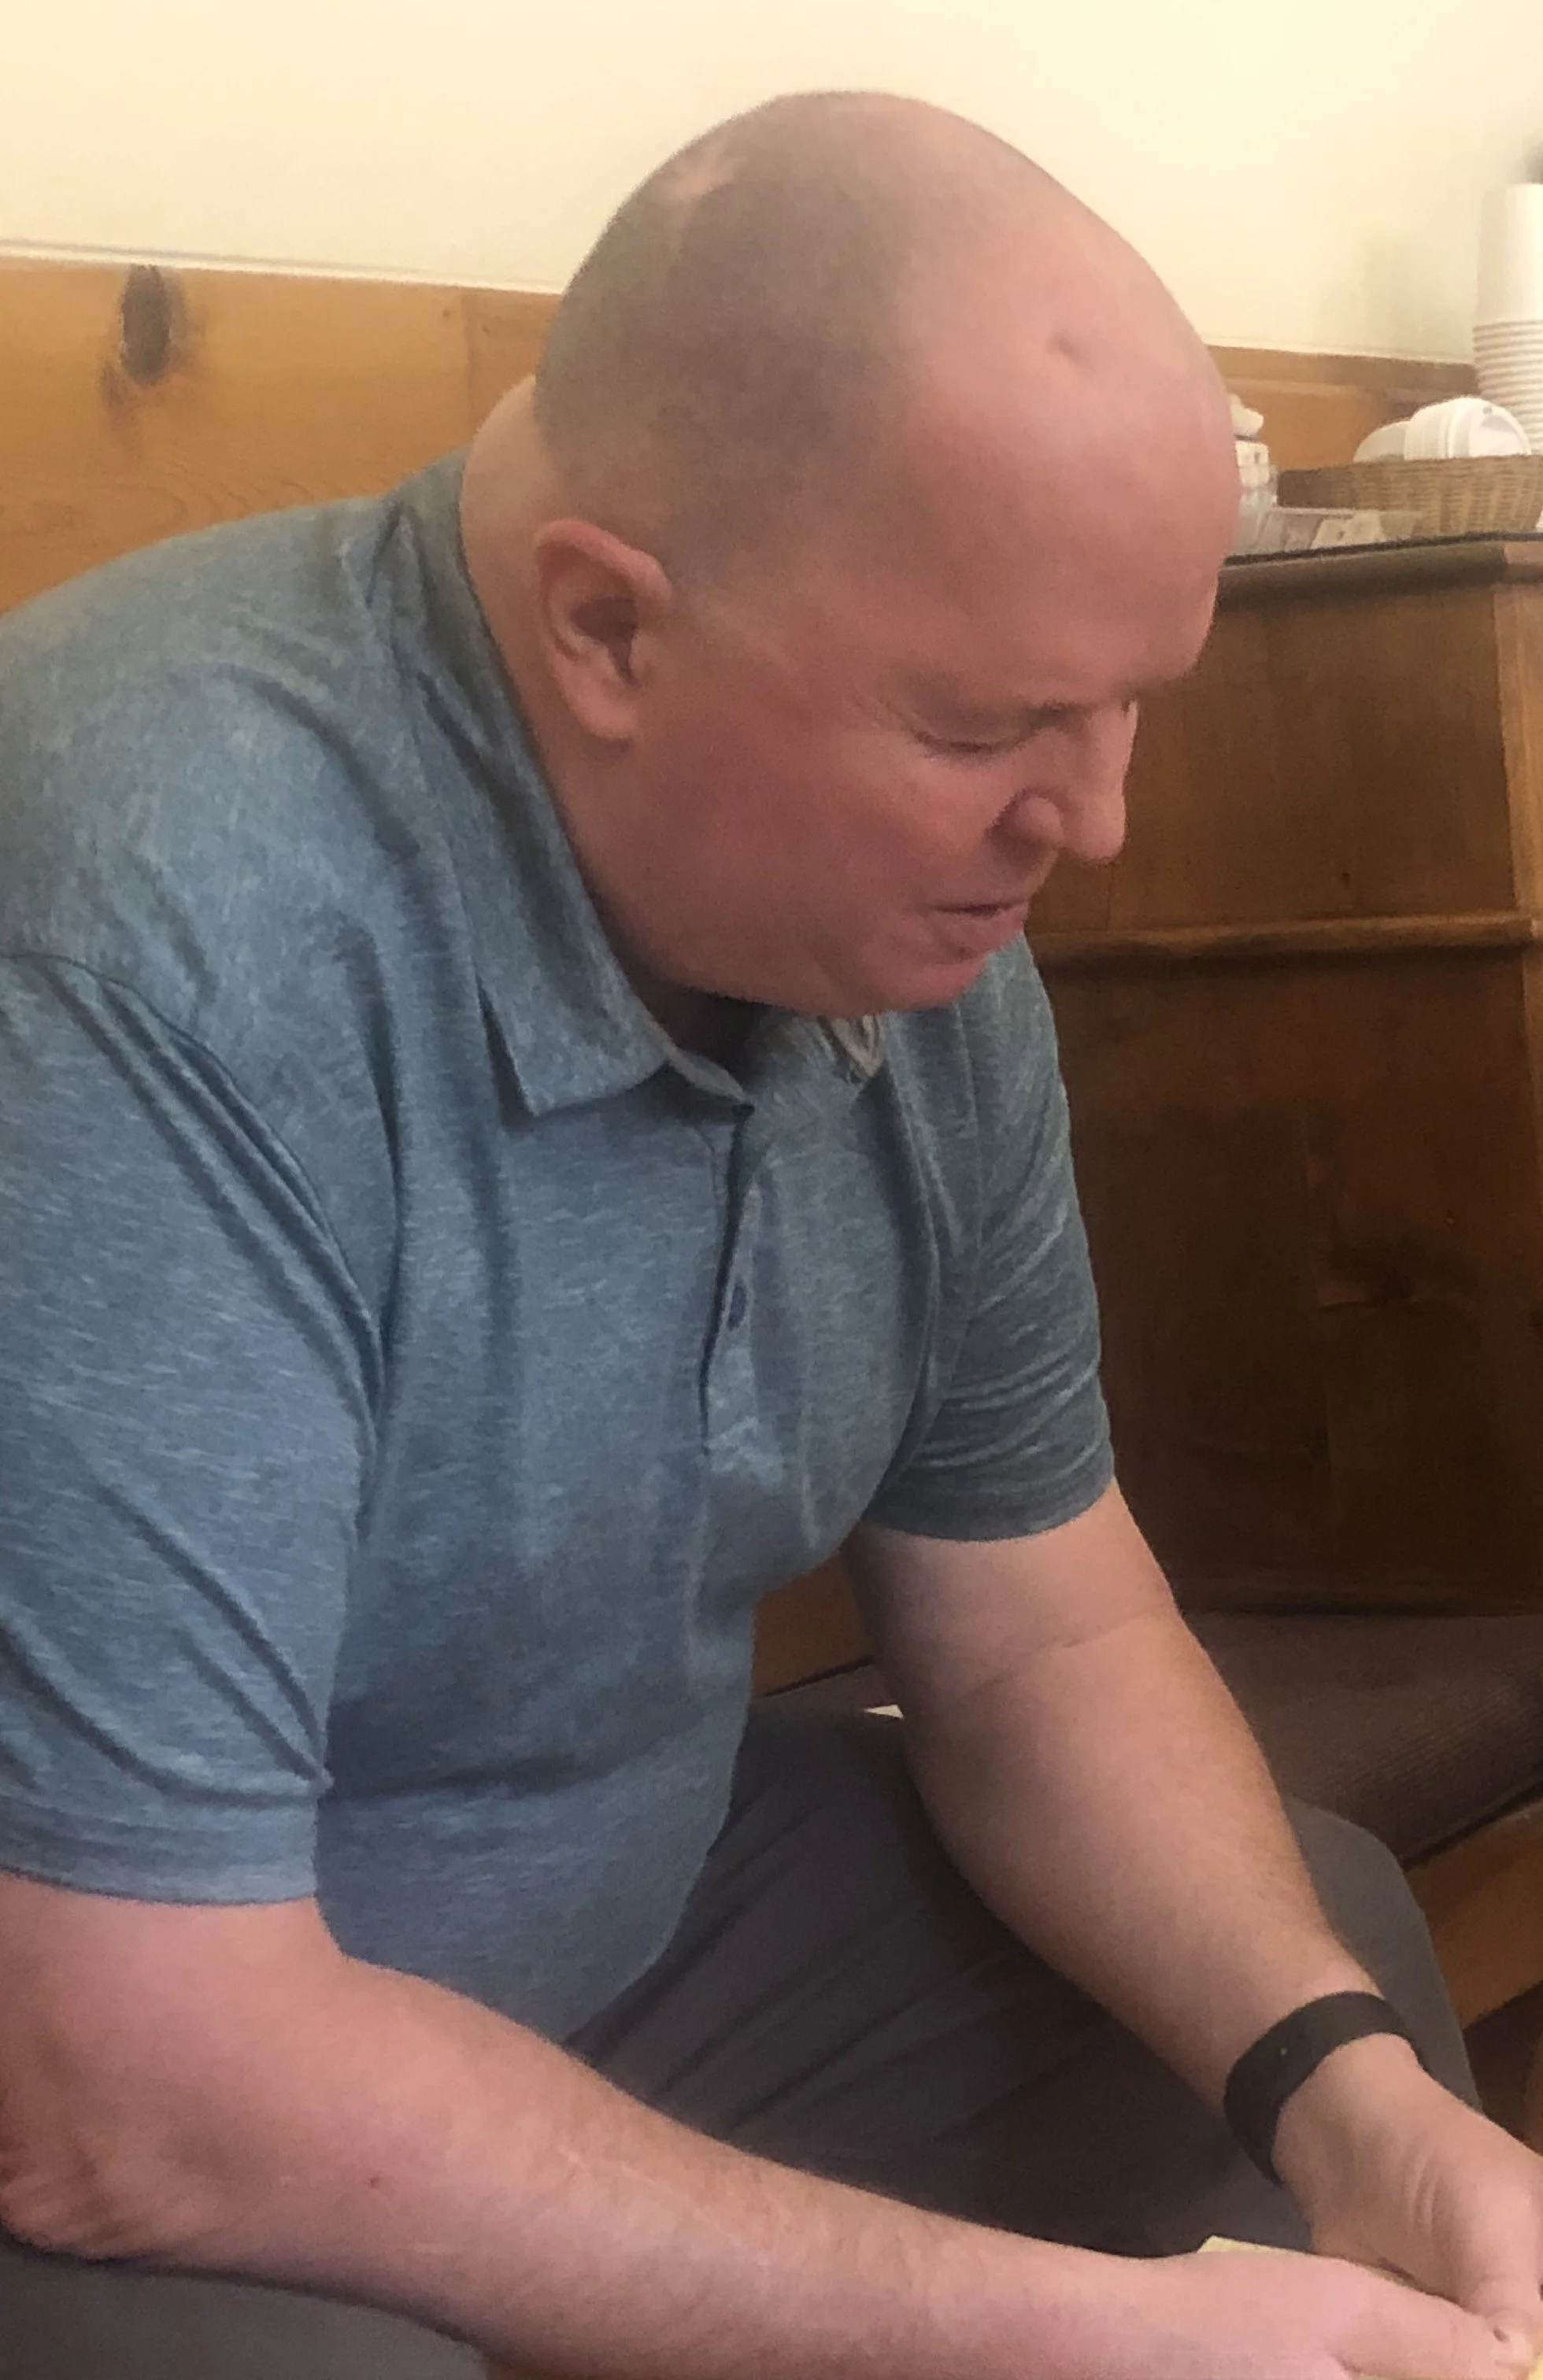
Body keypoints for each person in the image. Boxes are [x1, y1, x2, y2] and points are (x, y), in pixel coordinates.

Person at [0, 88, 1538, 2380]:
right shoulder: (150, 926)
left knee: (1316, 1978)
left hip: (592, 1938)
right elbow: (123, 2085)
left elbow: (1037, 1636)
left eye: (1128, 707)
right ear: (607, 627)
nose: (1097, 824)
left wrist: (1347, 2094)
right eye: (993, 722)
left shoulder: (910, 945)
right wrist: (1066, 2333)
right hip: (127, 2050)